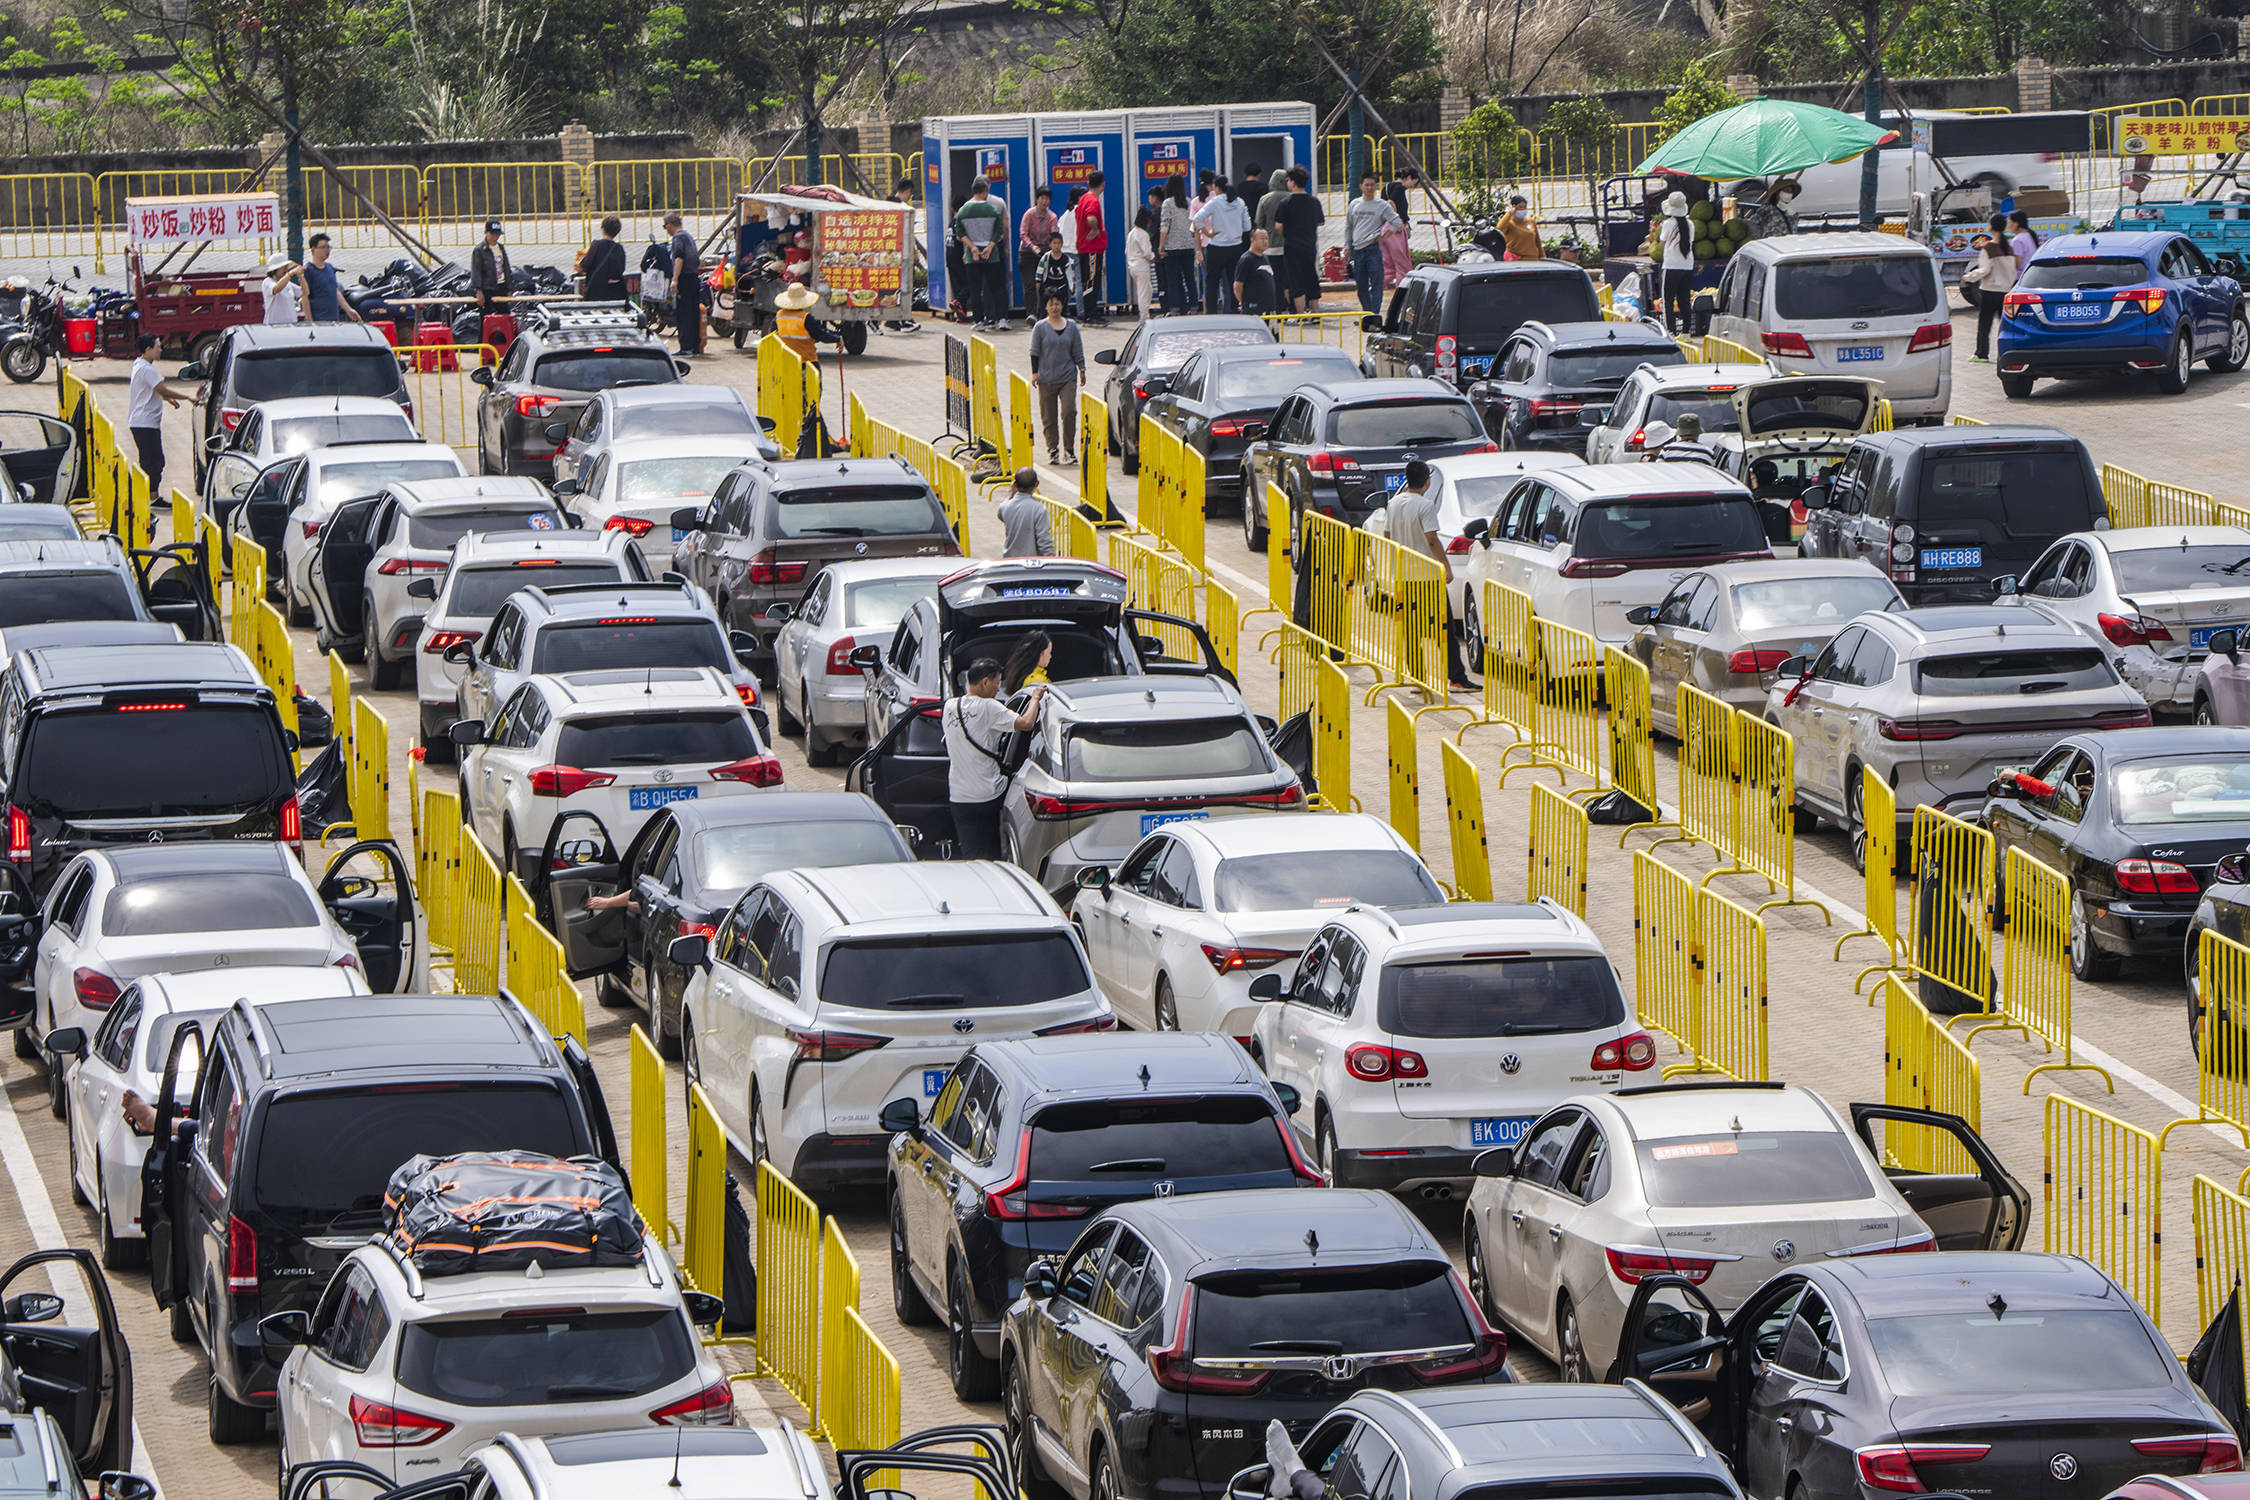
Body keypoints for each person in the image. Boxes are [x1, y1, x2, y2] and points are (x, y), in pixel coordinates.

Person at [943, 659, 1046, 859]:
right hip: (988, 795)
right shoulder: (989, 707)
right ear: (984, 682)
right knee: (993, 855)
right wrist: (1035, 698)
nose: (998, 689)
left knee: (971, 854)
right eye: (997, 683)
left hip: (959, 797)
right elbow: (1026, 723)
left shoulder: (949, 707)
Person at [1385, 458, 1471, 691]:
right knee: (1445, 629)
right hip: (1428, 578)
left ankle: (1419, 678)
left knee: (1412, 630)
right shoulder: (1425, 506)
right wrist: (1447, 567)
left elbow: (1386, 534)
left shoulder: (1393, 504)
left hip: (1404, 577)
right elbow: (1432, 539)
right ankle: (1456, 677)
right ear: (1427, 482)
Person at [1028, 292, 1085, 464]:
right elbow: (1034, 352)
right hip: (1046, 378)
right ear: (1046, 307)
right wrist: (1035, 373)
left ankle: (1069, 449)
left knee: (1069, 411)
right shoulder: (1040, 327)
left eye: (1057, 304)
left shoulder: (1072, 326)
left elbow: (1077, 350)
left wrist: (1082, 368)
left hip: (1067, 377)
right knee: (1048, 416)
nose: (1054, 307)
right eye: (1051, 304)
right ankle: (1052, 449)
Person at [126, 334, 184, 497]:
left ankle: (149, 495)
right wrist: (187, 397)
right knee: (153, 462)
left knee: (153, 461)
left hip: (142, 422)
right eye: (158, 347)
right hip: (145, 423)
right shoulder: (146, 369)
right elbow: (161, 389)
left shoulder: (139, 364)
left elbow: (150, 390)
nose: (160, 349)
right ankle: (148, 497)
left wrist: (167, 399)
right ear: (148, 349)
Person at [1961, 215, 2017, 364]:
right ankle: (2007, 352)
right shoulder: (2009, 247)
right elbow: (2013, 271)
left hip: (1990, 291)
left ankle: (1981, 353)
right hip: (2005, 291)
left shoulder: (1988, 247)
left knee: (1984, 324)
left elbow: (1984, 270)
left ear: (1991, 227)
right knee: (2004, 325)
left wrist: (1968, 277)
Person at [954, 176, 1008, 330]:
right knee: (997, 287)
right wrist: (990, 246)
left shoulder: (963, 209)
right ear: (985, 191)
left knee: (975, 289)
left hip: (973, 256)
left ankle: (978, 321)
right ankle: (1002, 319)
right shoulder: (992, 209)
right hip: (992, 255)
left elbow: (959, 232)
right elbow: (1000, 231)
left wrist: (972, 246)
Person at [1345, 173, 1402, 315]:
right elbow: (1349, 227)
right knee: (1361, 288)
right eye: (1367, 185)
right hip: (1358, 250)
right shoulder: (1354, 204)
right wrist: (1347, 246)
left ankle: (1374, 315)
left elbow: (1396, 222)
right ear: (1361, 186)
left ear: (1376, 186)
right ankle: (1368, 313)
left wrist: (1384, 237)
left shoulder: (1382, 205)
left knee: (1376, 285)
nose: (1369, 188)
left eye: (1372, 185)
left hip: (1373, 250)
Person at [1194, 176, 1251, 314]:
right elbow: (1247, 226)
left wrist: (1207, 234)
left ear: (1217, 188)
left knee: (1212, 283)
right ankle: (1234, 311)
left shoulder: (1215, 202)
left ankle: (1212, 313)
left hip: (1217, 248)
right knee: (1234, 282)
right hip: (1236, 247)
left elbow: (1197, 218)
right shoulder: (1239, 202)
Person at [1277, 166, 1324, 314]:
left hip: (1292, 246)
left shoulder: (1286, 203)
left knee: (1296, 281)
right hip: (1309, 245)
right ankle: (1316, 313)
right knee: (1311, 277)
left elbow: (1278, 226)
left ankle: (1300, 314)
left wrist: (1288, 233)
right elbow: (1321, 222)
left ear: (1293, 182)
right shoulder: (1314, 202)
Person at [1018, 185, 1059, 329]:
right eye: (1042, 198)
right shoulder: (1029, 214)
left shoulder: (1052, 217)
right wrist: (1032, 246)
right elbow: (1023, 234)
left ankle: (1043, 316)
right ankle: (1031, 314)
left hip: (1044, 254)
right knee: (1030, 285)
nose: (1045, 202)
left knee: (1044, 286)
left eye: (1047, 199)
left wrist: (1053, 247)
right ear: (1037, 199)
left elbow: (1054, 234)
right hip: (1028, 253)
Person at [1071, 171, 1108, 323]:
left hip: (1085, 248)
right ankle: (1090, 314)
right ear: (1103, 184)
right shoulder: (1093, 200)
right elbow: (1091, 217)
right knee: (1092, 281)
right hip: (1091, 248)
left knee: (1088, 280)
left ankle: (1089, 312)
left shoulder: (1084, 198)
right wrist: (1094, 229)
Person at [664, 213, 703, 356]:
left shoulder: (678, 238)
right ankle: (694, 346)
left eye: (665, 226)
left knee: (684, 314)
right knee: (693, 313)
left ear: (669, 224)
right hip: (693, 278)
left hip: (685, 279)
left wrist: (674, 280)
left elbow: (679, 259)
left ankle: (686, 347)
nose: (666, 230)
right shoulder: (688, 236)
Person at [1657, 191, 1694, 335]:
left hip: (1671, 266)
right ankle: (1686, 333)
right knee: (1684, 301)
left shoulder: (1668, 224)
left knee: (1668, 301)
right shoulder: (1690, 224)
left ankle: (1670, 332)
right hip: (1687, 265)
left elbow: (1662, 244)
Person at [1157, 175, 1196, 316]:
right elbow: (1193, 225)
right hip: (1188, 246)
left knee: (1173, 280)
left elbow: (1164, 226)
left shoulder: (1167, 203)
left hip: (1172, 247)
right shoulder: (1189, 202)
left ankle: (1174, 309)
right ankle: (1193, 307)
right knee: (1190, 278)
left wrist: (1161, 247)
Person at [299, 234, 359, 324]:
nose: (327, 250)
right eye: (323, 247)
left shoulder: (329, 267)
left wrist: (349, 310)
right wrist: (309, 320)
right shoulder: (308, 270)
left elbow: (335, 291)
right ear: (313, 249)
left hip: (333, 319)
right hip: (318, 321)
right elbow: (304, 297)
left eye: (328, 247)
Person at [999, 467, 1056, 556]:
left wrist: (1012, 494)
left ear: (1015, 485)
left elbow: (1001, 515)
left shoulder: (1004, 506)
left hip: (1009, 561)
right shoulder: (1039, 509)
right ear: (1037, 484)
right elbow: (1044, 541)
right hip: (1032, 564)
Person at [579, 214, 628, 303]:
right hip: (616, 293)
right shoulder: (619, 248)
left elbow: (584, 265)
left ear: (603, 228)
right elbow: (622, 269)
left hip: (597, 293)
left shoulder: (596, 245)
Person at [1234, 227, 1281, 315]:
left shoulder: (1265, 257)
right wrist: (1244, 303)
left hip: (1269, 309)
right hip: (1253, 310)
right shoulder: (1246, 259)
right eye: (1262, 238)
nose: (1265, 241)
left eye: (1267, 238)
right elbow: (1237, 286)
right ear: (1253, 240)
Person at [469, 220, 510, 317]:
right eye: (493, 234)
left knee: (504, 316)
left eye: (498, 234)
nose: (495, 237)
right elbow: (476, 272)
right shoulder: (479, 250)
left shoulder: (501, 248)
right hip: (487, 289)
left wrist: (509, 288)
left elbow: (507, 268)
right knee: (487, 318)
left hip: (501, 286)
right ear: (486, 233)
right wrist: (479, 291)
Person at [1380, 174, 1413, 288]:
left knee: (1388, 266)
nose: (1413, 186)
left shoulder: (1387, 186)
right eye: (1414, 182)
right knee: (1402, 266)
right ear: (1409, 178)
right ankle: (1402, 294)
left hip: (1384, 227)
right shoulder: (1399, 187)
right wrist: (1396, 219)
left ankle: (1374, 289)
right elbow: (1390, 202)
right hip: (1395, 229)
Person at [774, 281, 819, 363]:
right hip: (805, 360)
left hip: (784, 359)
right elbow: (819, 334)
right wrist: (836, 339)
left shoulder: (779, 315)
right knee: (815, 373)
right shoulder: (806, 318)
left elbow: (772, 334)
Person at [1126, 206, 1157, 323]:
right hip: (1141, 266)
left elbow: (1126, 251)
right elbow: (1147, 253)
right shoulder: (1143, 234)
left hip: (1132, 266)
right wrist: (1155, 256)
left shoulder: (1131, 233)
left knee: (1147, 290)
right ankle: (1144, 317)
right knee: (1144, 292)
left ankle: (1144, 315)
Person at [1035, 232, 1074, 315]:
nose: (1057, 245)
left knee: (1062, 305)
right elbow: (1040, 268)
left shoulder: (1065, 258)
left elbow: (1069, 273)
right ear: (1050, 244)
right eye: (1054, 243)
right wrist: (1038, 281)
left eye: (1059, 243)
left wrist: (1071, 286)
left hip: (1061, 286)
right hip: (1048, 286)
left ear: (1062, 244)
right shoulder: (1046, 257)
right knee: (1048, 304)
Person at [260, 255, 302, 324]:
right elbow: (276, 289)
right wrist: (290, 274)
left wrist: (301, 277)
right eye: (284, 267)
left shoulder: (288, 283)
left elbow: (304, 293)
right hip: (274, 325)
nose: (286, 269)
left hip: (291, 324)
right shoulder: (267, 282)